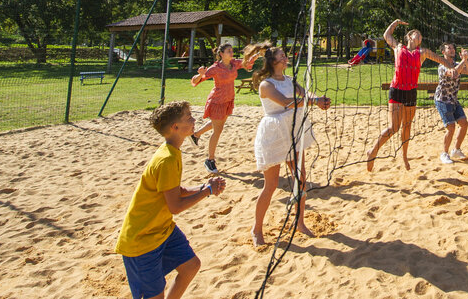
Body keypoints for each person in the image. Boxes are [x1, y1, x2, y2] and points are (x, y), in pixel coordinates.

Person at [115, 100, 226, 299]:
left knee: (191, 266)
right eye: (188, 118)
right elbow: (175, 206)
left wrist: (200, 187)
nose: (194, 120)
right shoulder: (166, 159)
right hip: (142, 240)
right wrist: (207, 191)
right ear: (175, 127)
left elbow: (176, 190)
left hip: (163, 230)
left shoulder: (172, 152)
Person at [251, 43, 332, 246]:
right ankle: (257, 229)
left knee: (301, 179)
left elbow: (305, 95)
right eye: (282, 56)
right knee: (270, 186)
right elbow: (287, 102)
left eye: (285, 55)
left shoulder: (289, 80)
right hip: (274, 133)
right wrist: (313, 102)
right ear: (272, 61)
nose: (286, 58)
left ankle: (300, 222)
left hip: (293, 130)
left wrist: (319, 100)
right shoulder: (266, 84)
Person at [366, 19, 452, 171]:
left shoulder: (422, 52)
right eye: (417, 34)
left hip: (411, 92)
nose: (420, 37)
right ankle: (372, 151)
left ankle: (404, 157)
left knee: (407, 127)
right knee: (394, 127)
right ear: (410, 36)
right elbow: (387, 35)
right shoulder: (399, 48)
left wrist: (454, 66)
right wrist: (395, 23)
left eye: (421, 36)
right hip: (397, 90)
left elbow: (440, 59)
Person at [190, 43, 260, 174]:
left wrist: (255, 57)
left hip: (228, 100)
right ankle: (209, 160)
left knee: (218, 123)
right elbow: (195, 81)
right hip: (217, 101)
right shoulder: (215, 68)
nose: (231, 53)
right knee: (218, 129)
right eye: (228, 51)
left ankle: (196, 135)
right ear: (221, 53)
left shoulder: (234, 63)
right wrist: (200, 74)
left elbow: (246, 63)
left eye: (232, 50)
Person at [435, 42, 468, 164]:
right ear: (443, 52)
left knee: (464, 124)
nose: (452, 50)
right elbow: (454, 73)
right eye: (449, 48)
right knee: (451, 127)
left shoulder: (457, 64)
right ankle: (444, 153)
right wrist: (464, 61)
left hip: (453, 99)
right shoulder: (442, 66)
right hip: (443, 100)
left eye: (453, 48)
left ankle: (456, 150)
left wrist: (465, 61)